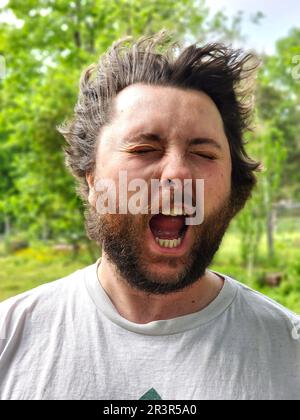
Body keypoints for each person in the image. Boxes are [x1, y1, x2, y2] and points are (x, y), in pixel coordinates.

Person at [0, 31, 299, 400]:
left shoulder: (290, 353)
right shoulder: (8, 339)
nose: (176, 174)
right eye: (144, 148)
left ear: (233, 190)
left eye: (204, 154)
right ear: (93, 182)